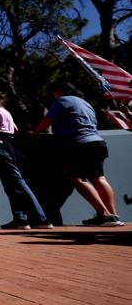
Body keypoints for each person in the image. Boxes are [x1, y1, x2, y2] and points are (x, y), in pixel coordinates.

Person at [30, 82, 123, 227]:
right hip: (97, 143)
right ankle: (113, 215)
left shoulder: (62, 101)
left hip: (78, 144)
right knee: (99, 178)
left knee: (77, 179)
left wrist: (34, 133)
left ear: (59, 91)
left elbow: (47, 120)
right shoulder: (85, 103)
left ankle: (104, 214)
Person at [0, 90, 52, 230]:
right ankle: (20, 219)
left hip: (1, 149)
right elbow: (15, 129)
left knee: (18, 183)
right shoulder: (5, 111)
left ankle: (41, 218)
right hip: (10, 147)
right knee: (12, 186)